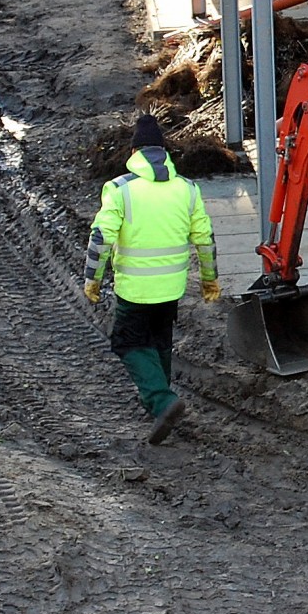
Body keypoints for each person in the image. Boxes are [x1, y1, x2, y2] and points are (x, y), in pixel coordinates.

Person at [83, 114, 220, 445]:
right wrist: (209, 279)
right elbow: (205, 238)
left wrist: (93, 279)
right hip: (170, 288)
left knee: (128, 342)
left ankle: (162, 401)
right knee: (159, 341)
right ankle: (160, 402)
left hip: (135, 290)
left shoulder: (120, 190)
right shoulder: (187, 189)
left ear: (134, 153)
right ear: (164, 153)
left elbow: (101, 238)